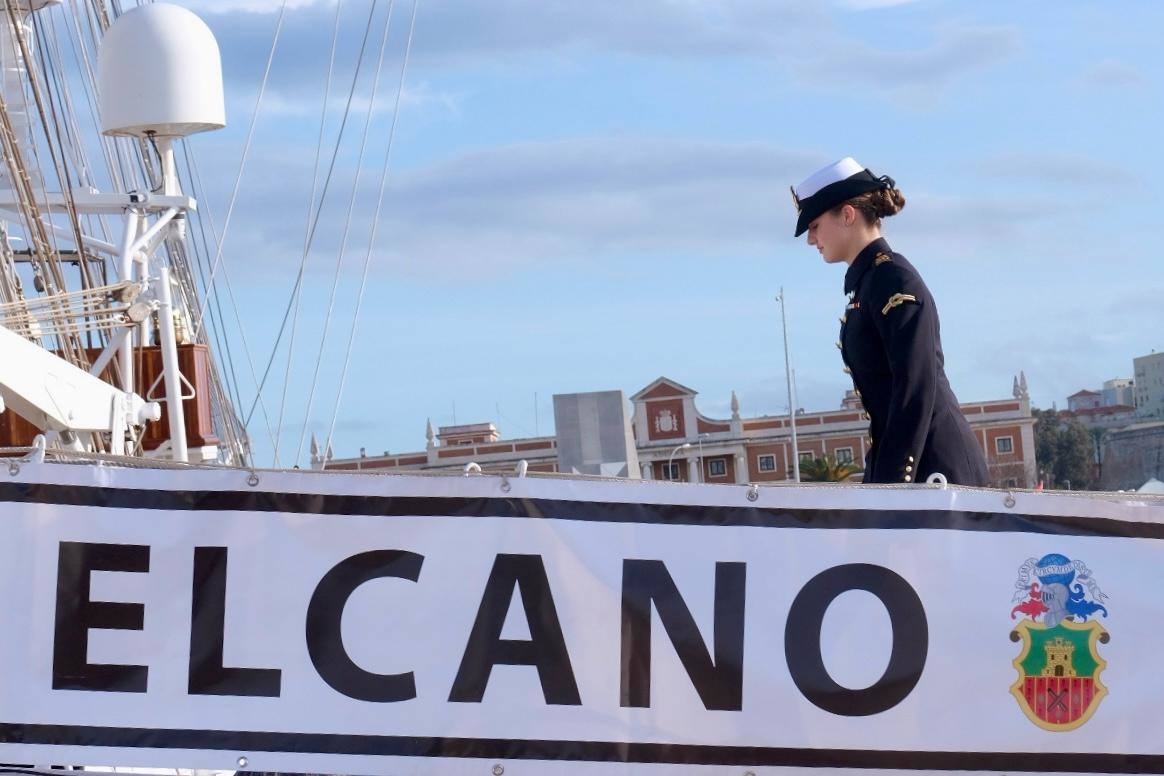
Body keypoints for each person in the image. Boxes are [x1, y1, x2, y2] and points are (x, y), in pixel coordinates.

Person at [790, 157, 988, 486]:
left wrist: (896, 483)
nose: (811, 239)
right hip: (910, 467)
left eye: (814, 226)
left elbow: (914, 390)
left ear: (848, 215)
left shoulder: (892, 280)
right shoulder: (871, 283)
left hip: (935, 469)